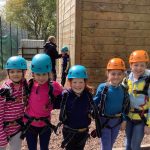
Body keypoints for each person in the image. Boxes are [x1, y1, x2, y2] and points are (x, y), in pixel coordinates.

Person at [23, 53, 63, 150]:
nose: (41, 78)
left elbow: (67, 95)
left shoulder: (54, 86)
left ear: (49, 73)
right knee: (32, 148)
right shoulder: (29, 85)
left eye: (44, 74)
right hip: (30, 124)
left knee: (44, 148)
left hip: (45, 125)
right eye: (38, 74)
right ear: (33, 74)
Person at [59, 65, 101, 150]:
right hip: (69, 132)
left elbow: (92, 109)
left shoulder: (88, 95)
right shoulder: (66, 95)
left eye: (81, 82)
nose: (78, 85)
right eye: (74, 82)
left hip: (83, 131)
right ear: (70, 82)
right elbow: (54, 102)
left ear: (85, 82)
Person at [94, 58, 130, 150]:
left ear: (123, 75)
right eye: (113, 74)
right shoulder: (103, 87)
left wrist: (124, 120)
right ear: (108, 74)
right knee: (106, 146)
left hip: (117, 122)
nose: (116, 77)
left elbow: (125, 106)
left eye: (119, 74)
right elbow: (95, 101)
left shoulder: (123, 89)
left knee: (110, 144)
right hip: (104, 121)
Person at [0, 56, 28, 150]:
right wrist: (1, 133)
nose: (15, 74)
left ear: (24, 72)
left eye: (19, 71)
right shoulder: (4, 90)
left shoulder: (25, 86)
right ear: (8, 73)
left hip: (17, 128)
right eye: (12, 72)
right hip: (3, 128)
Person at [125, 50, 150, 150]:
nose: (139, 68)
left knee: (135, 146)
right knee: (127, 145)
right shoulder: (127, 78)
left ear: (146, 66)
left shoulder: (148, 81)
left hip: (141, 119)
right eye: (136, 65)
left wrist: (148, 124)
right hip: (129, 117)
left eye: (142, 65)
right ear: (131, 65)